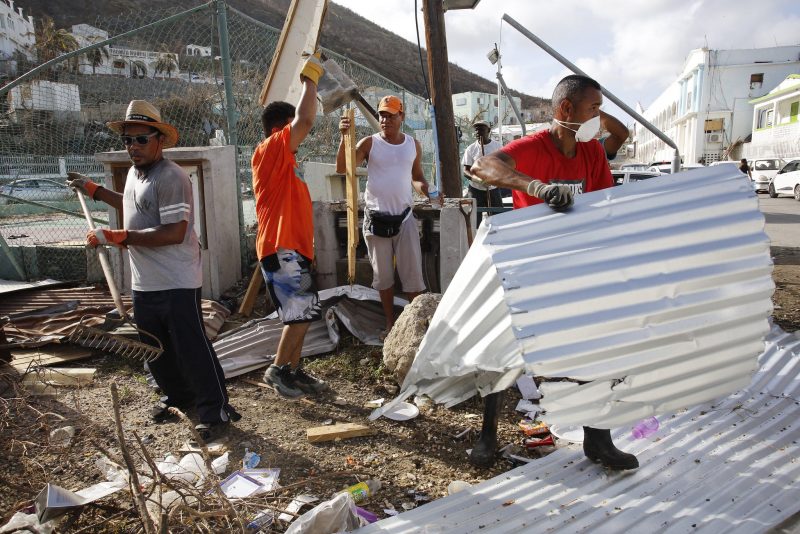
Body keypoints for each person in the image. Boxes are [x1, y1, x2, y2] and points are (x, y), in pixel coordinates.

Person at [469, 74, 638, 471]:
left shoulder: (591, 153)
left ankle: (598, 440)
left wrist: (592, 113)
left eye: (600, 109)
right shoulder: (532, 148)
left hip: (576, 270)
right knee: (504, 352)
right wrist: (538, 188)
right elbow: (482, 166)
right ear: (564, 110)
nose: (599, 117)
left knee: (594, 351)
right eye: (592, 108)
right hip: (528, 269)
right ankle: (488, 436)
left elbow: (602, 200)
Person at [67, 100, 239, 440]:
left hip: (176, 280)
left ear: (159, 139)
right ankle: (179, 397)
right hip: (145, 282)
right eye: (128, 140)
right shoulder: (134, 173)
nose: (133, 147)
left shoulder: (172, 177)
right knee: (156, 348)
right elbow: (134, 205)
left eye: (141, 139)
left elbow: (175, 231)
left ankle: (215, 411)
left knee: (192, 346)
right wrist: (94, 190)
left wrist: (120, 236)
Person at [254, 52, 331, 399]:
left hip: (293, 248)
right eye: (290, 129)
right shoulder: (270, 149)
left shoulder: (287, 162)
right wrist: (311, 76)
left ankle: (295, 371)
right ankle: (278, 370)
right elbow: (306, 117)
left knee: (304, 311)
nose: (299, 136)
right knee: (298, 314)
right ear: (278, 129)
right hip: (280, 246)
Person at [336, 95, 440, 334]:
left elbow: (416, 177)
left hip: (404, 219)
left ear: (401, 117)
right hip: (376, 220)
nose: (385, 119)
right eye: (382, 114)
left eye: (391, 115)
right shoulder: (369, 143)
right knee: (383, 279)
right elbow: (343, 168)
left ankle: (415, 327)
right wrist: (344, 138)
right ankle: (390, 323)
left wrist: (428, 191)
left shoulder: (412, 145)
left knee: (413, 278)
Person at [462, 120, 503, 215]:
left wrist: (493, 179)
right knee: (474, 218)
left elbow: (504, 168)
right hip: (475, 189)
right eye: (476, 130)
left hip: (493, 189)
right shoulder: (471, 149)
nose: (478, 132)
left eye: (481, 129)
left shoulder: (498, 147)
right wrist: (480, 180)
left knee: (498, 218)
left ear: (488, 130)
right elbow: (466, 171)